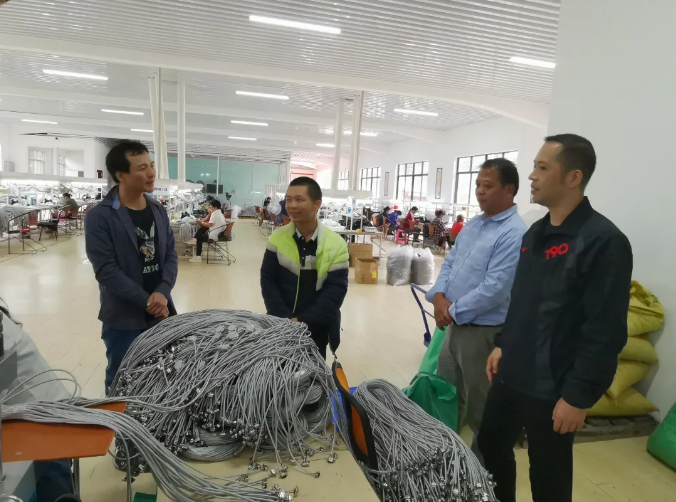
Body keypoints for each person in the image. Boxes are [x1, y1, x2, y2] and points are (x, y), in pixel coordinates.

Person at [478, 135, 633, 502]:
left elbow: (605, 329)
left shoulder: (603, 241)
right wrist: (502, 345)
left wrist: (578, 396)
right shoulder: (536, 234)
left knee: (549, 476)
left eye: (543, 167)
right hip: (512, 373)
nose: (532, 175)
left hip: (553, 385)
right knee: (490, 447)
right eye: (535, 166)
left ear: (573, 177)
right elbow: (522, 301)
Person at [425, 158, 527, 462]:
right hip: (454, 328)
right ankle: (446, 458)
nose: (480, 191)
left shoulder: (513, 232)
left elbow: (495, 288)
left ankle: (480, 470)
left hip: (482, 334)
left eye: (488, 185)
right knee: (446, 394)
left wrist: (451, 311)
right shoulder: (474, 224)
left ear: (509, 190)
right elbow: (450, 263)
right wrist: (439, 297)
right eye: (478, 185)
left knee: (481, 408)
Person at [85, 140, 178, 394]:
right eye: (141, 168)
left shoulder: (158, 210)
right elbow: (106, 270)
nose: (151, 173)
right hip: (124, 316)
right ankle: (119, 420)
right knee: (122, 380)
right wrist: (149, 300)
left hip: (161, 313)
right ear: (121, 175)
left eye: (151, 166)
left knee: (162, 375)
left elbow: (170, 255)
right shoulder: (100, 216)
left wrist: (163, 291)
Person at [260, 176, 349, 359]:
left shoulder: (336, 244)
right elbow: (268, 280)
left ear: (317, 204)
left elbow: (335, 291)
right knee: (279, 369)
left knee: (312, 372)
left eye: (299, 199)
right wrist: (285, 320)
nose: (291, 205)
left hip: (317, 328)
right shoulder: (277, 238)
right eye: (289, 199)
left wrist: (303, 322)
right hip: (280, 325)